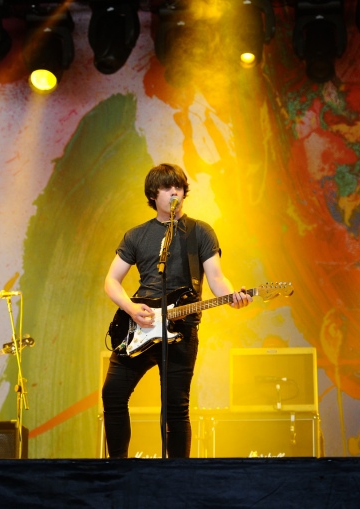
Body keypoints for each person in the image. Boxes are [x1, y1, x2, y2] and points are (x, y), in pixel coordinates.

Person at [102, 163, 252, 458]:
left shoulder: (200, 232)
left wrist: (232, 297)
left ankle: (178, 478)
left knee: (175, 407)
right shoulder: (136, 236)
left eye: (179, 187)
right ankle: (117, 469)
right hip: (140, 326)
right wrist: (131, 309)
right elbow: (111, 281)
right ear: (153, 194)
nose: (175, 191)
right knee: (113, 394)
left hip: (181, 328)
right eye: (167, 187)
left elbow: (217, 278)